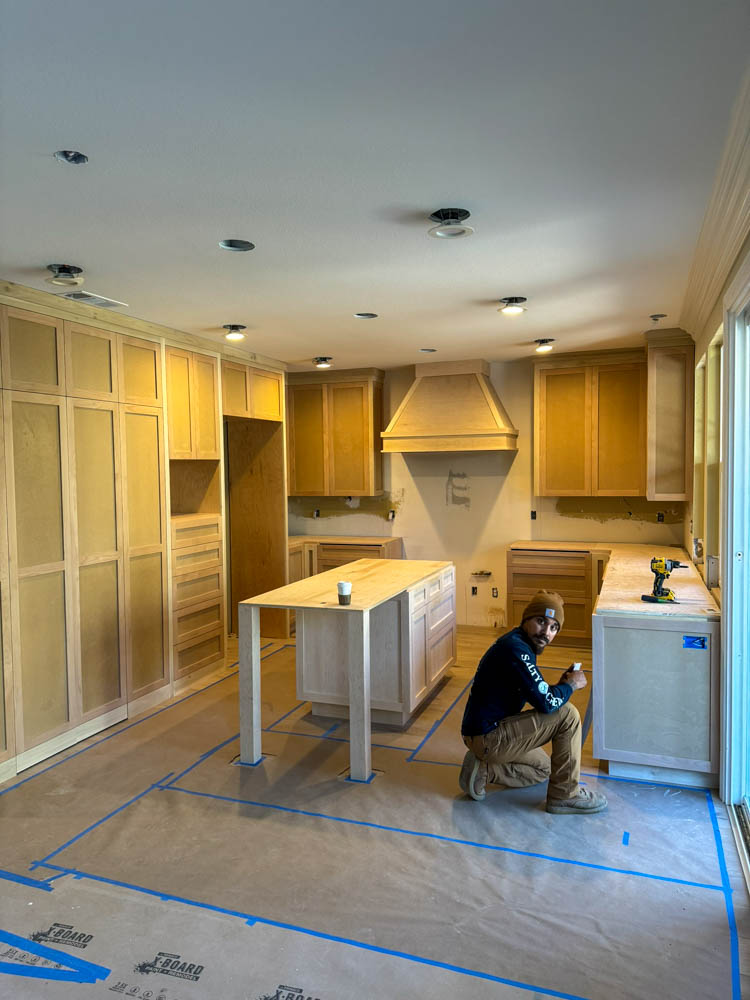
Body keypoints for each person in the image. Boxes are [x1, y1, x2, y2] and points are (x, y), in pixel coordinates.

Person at [459, 589, 607, 814]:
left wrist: (560, 686)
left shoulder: (518, 644)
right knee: (568, 715)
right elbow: (547, 704)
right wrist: (569, 686)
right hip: (488, 736)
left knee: (544, 769)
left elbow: (539, 697)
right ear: (526, 620)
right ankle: (565, 796)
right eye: (541, 621)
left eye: (553, 627)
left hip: (485, 733)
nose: (545, 632)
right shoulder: (516, 649)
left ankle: (485, 771)